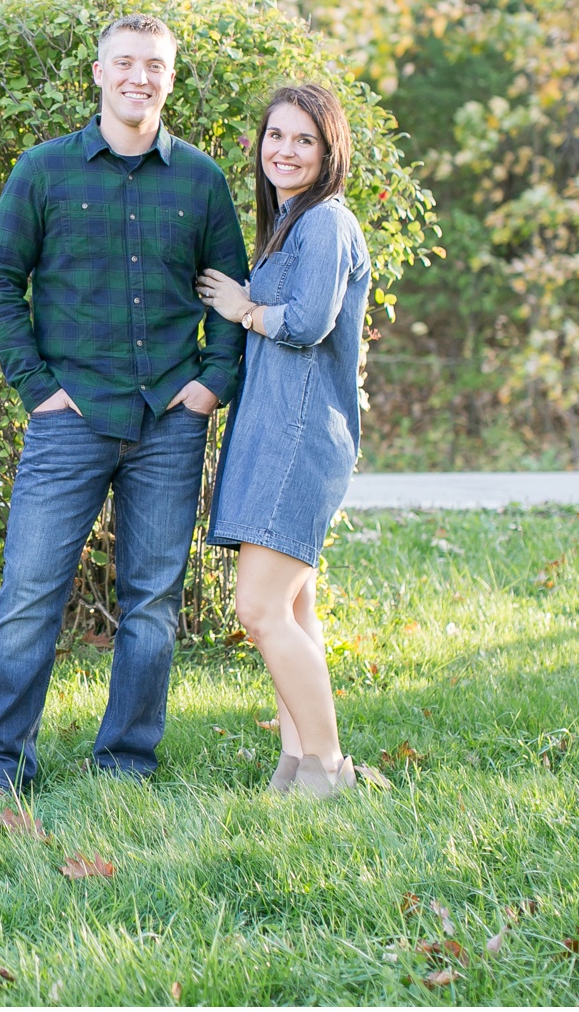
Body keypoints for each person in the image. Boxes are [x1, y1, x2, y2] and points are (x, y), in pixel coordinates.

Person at [0, 14, 248, 794]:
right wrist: (37, 389)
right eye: (125, 62)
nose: (140, 77)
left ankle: (126, 761)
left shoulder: (201, 180)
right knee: (28, 595)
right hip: (72, 416)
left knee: (152, 604)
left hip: (169, 416)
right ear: (97, 73)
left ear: (169, 76)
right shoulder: (45, 170)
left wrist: (211, 383)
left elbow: (232, 292)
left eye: (154, 65)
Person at [195, 82, 371, 800]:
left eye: (304, 139)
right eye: (276, 136)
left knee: (259, 610)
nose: (286, 151)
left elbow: (307, 323)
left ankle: (327, 765)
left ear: (329, 150)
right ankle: (297, 763)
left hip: (300, 438)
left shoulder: (325, 221)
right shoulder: (293, 223)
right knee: (294, 609)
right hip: (277, 432)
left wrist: (243, 308)